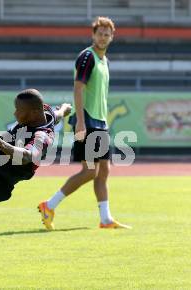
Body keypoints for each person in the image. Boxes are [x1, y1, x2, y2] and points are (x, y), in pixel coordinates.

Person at [37, 17, 131, 230]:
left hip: (101, 123)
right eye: (100, 34)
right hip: (87, 121)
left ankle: (105, 219)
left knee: (104, 171)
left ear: (112, 37)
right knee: (90, 171)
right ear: (93, 35)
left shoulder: (105, 61)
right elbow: (78, 88)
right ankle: (49, 205)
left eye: (107, 34)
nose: (103, 38)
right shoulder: (87, 56)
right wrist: (80, 121)